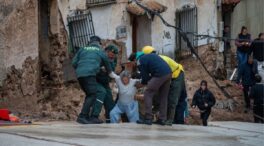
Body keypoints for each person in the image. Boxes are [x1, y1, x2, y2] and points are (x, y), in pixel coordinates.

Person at [72, 36, 113, 124]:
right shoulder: (100, 51)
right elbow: (108, 66)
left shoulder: (82, 49)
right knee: (92, 94)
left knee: (92, 94)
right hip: (90, 75)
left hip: (80, 75)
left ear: (90, 42)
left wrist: (81, 68)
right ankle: (83, 116)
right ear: (99, 43)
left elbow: (73, 63)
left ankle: (88, 117)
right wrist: (111, 73)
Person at [142, 46, 185, 126]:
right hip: (169, 75)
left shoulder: (160, 59)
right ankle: (162, 118)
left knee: (172, 98)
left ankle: (169, 120)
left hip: (177, 74)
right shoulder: (155, 59)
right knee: (162, 96)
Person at [135, 52, 171, 125]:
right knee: (163, 97)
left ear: (136, 59)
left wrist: (141, 84)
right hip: (168, 73)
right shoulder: (150, 57)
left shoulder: (140, 60)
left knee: (148, 93)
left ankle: (148, 118)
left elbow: (145, 77)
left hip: (160, 74)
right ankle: (162, 119)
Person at [91, 44, 119, 123]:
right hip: (97, 81)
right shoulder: (100, 56)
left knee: (110, 101)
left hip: (106, 82)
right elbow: (95, 68)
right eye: (112, 53)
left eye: (114, 54)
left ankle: (110, 120)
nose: (113, 56)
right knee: (101, 93)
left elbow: (112, 70)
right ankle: (94, 116)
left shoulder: (114, 59)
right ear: (107, 51)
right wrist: (101, 69)